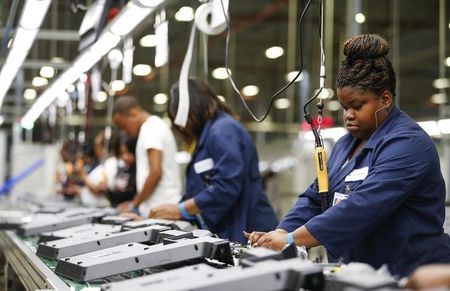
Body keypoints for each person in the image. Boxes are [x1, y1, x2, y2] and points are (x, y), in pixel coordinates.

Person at [245, 34, 450, 277]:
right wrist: (280, 233)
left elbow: (362, 206)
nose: (348, 115)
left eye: (357, 106)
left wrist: (292, 239)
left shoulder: (408, 144)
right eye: (345, 108)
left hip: (411, 273)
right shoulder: (345, 145)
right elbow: (315, 197)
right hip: (361, 272)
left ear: (385, 99)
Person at [149, 78, 278, 244]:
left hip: (250, 229)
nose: (182, 127)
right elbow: (201, 187)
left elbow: (226, 186)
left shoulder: (223, 130)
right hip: (232, 227)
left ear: (194, 108)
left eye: (183, 119)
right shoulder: (209, 134)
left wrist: (180, 209)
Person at [112, 96, 182, 216]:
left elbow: (155, 173)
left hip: (163, 208)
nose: (124, 132)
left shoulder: (152, 129)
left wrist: (134, 205)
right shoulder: (150, 128)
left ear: (133, 114)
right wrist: (134, 202)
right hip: (158, 207)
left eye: (123, 126)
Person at [106, 137, 137, 207]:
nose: (125, 157)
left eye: (128, 152)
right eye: (122, 153)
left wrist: (132, 204)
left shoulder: (140, 173)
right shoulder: (123, 171)